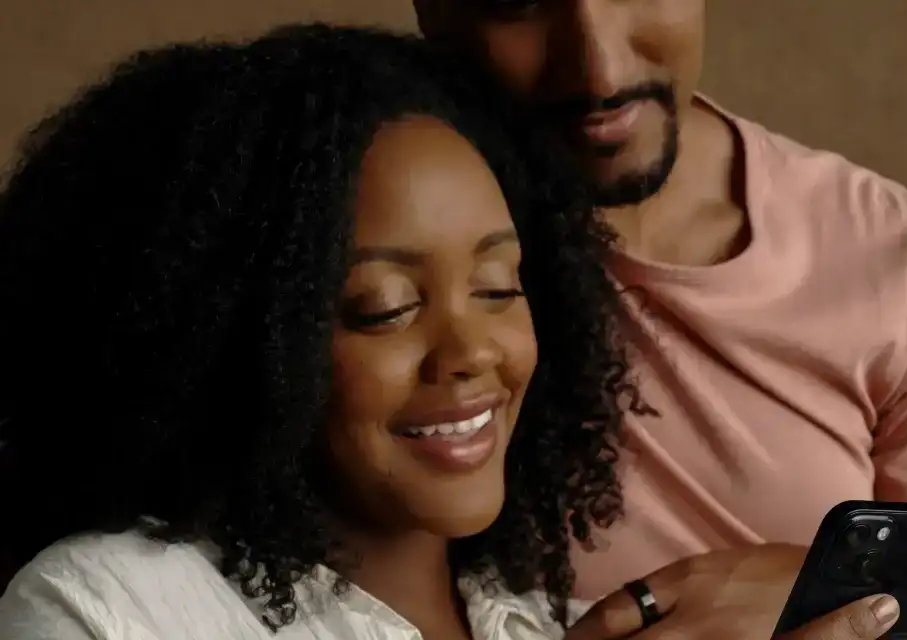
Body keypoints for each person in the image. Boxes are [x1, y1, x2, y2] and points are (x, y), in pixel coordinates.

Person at [413, 1, 907, 638]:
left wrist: (821, 601)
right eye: (521, 3)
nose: (602, 69)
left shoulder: (885, 258)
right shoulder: (357, 235)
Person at [0, 24, 652, 639]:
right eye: (385, 308)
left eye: (497, 288)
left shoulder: (580, 625)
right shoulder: (111, 608)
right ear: (233, 338)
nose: (472, 350)